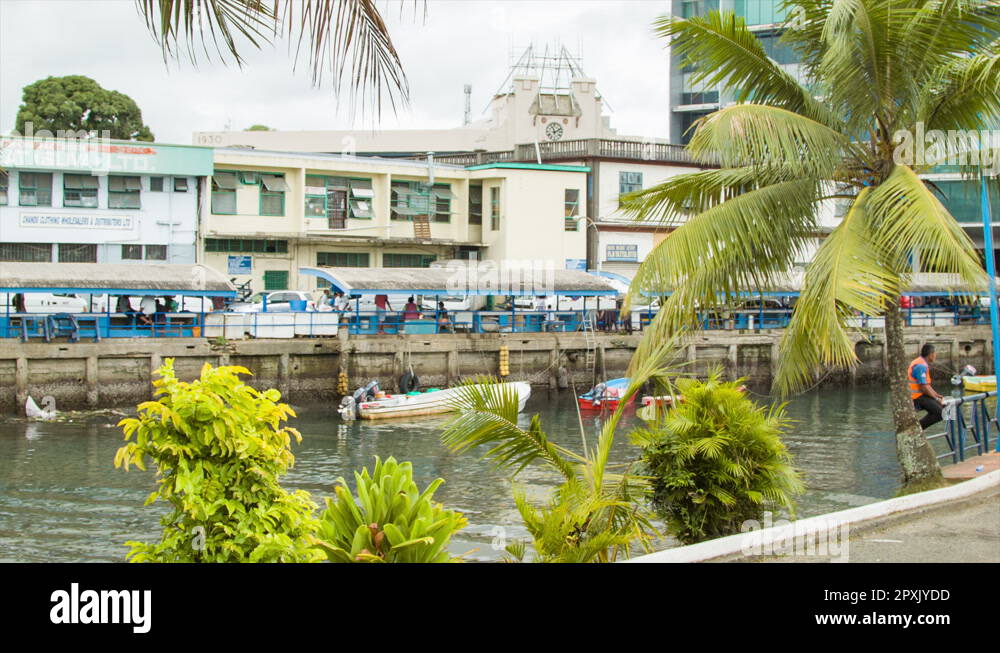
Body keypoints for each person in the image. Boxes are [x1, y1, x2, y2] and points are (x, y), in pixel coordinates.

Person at [908, 344, 945, 430]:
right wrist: (936, 398)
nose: (935, 356)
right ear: (931, 354)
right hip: (916, 398)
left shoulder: (921, 362)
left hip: (920, 396)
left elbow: (926, 385)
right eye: (935, 353)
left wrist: (936, 395)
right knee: (940, 413)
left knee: (942, 407)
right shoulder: (920, 366)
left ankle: (916, 429)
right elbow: (923, 387)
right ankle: (916, 430)